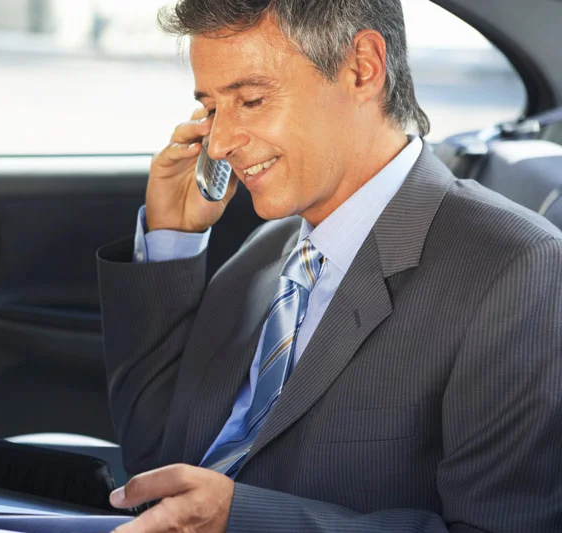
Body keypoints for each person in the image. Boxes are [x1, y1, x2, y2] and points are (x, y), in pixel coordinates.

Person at [95, 1, 562, 531]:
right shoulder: (268, 253)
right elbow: (154, 455)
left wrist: (243, 520)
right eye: (210, 109)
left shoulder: (517, 271)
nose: (220, 143)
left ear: (362, 67)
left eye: (250, 99)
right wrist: (172, 241)